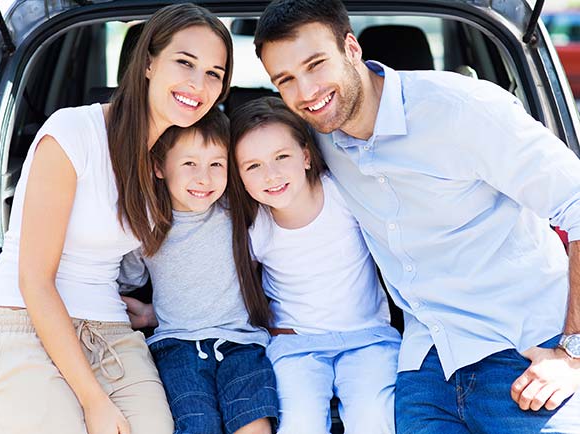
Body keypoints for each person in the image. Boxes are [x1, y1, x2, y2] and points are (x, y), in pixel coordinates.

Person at [253, 1, 580, 433]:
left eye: (316, 65)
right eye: (286, 80)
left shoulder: (463, 110)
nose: (307, 91)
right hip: (426, 363)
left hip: (526, 351)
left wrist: (573, 354)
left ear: (351, 48)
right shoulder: (311, 139)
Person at [0, 4, 233, 434]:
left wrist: (158, 312)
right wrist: (94, 402)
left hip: (111, 329)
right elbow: (35, 281)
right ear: (149, 62)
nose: (199, 83)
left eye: (214, 72)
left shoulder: (174, 162)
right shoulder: (73, 133)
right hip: (23, 319)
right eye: (185, 63)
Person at [227, 96, 401, 434]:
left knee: (373, 418)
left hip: (368, 338)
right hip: (296, 346)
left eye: (282, 157)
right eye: (253, 166)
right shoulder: (255, 227)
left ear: (306, 156)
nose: (272, 175)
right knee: (299, 424)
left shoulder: (343, 197)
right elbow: (222, 287)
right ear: (240, 176)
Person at [118, 109, 279, 434]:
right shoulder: (147, 226)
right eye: (190, 163)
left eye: (216, 164)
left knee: (255, 427)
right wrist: (149, 314)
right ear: (159, 166)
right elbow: (126, 280)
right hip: (177, 348)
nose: (204, 177)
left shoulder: (239, 213)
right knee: (197, 426)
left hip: (242, 345)